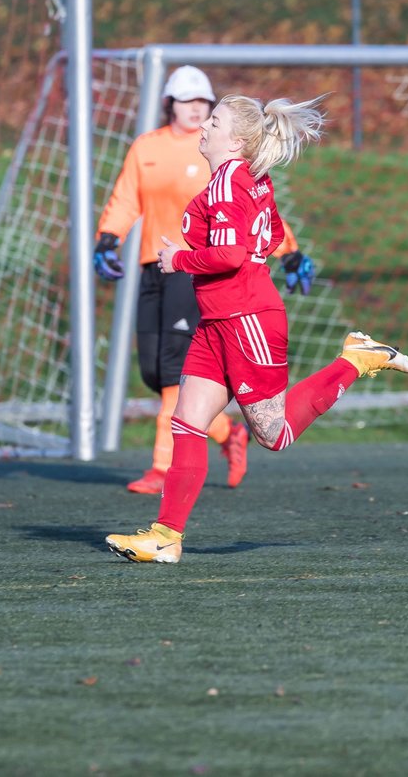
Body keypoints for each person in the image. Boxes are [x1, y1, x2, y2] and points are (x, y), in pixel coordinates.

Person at [105, 93, 408, 563]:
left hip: (248, 321)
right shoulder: (245, 179)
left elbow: (230, 255)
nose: (204, 127)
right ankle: (166, 537)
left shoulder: (231, 183)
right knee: (186, 423)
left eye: (215, 120)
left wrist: (178, 259)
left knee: (276, 434)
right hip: (217, 320)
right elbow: (266, 238)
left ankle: (356, 359)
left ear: (236, 140)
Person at [94, 66, 316, 495]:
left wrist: (289, 251)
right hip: (154, 267)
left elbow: (251, 216)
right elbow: (126, 197)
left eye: (204, 103)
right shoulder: (148, 147)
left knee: (175, 373)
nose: (197, 110)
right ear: (169, 104)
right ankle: (227, 432)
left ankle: (162, 467)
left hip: (195, 270)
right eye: (187, 101)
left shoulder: (224, 157)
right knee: (154, 371)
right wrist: (108, 238)